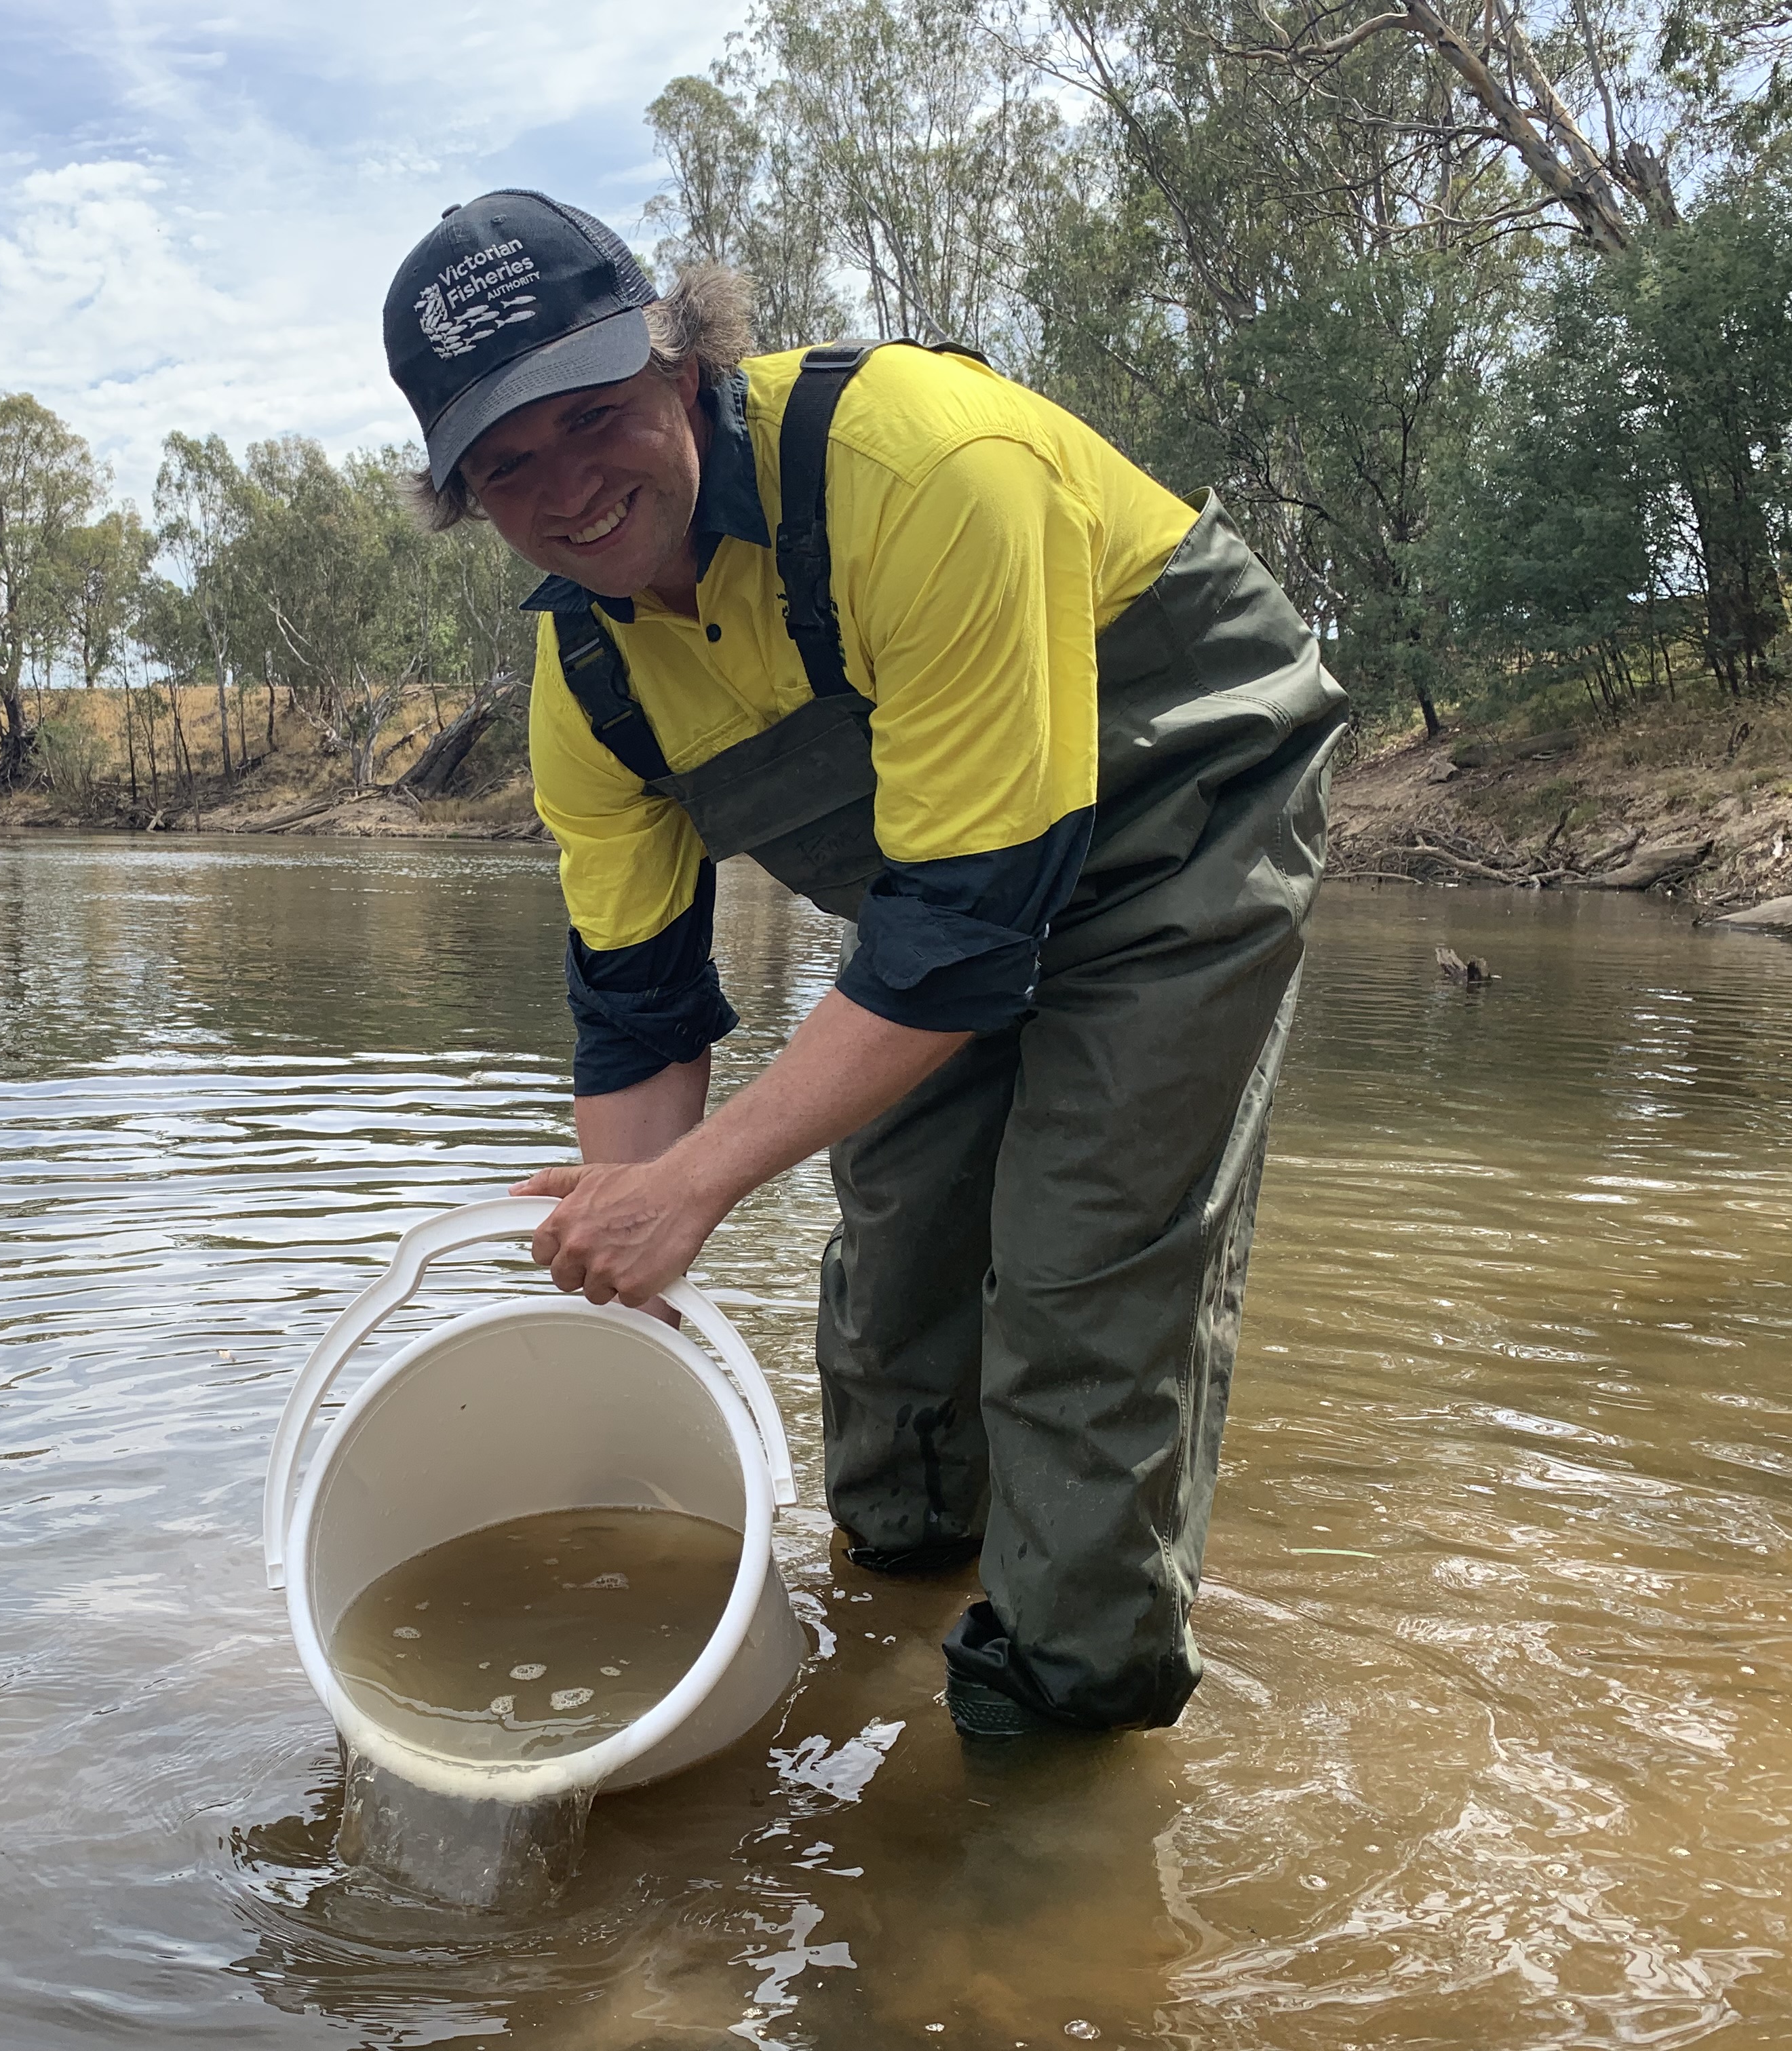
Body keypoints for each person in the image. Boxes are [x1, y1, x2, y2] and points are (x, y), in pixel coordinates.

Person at [380, 190, 1345, 1740]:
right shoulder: (586, 677)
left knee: (1081, 1281)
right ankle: (901, 1602)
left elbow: (969, 939)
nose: (565, 487)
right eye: (506, 464)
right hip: (943, 881)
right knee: (896, 1272)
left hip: (1179, 814)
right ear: (466, 500)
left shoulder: (925, 464)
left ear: (684, 372)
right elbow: (638, 1007)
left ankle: (1058, 1753)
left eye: (594, 416)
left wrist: (696, 1187)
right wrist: (624, 1275)